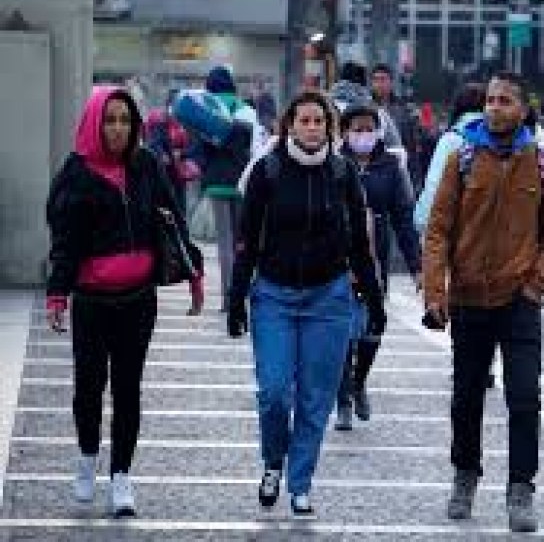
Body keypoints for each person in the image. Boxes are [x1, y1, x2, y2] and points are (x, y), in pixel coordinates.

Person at [423, 71, 544, 533]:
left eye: (505, 100)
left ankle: (521, 489)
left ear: (524, 108)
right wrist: (436, 292)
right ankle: (465, 474)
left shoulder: (542, 162)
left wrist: (537, 284)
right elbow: (438, 230)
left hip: (520, 299)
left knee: (525, 397)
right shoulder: (462, 155)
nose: (494, 107)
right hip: (468, 298)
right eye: (489, 100)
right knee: (466, 397)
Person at [226, 91, 386, 519]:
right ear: (289, 125)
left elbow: (358, 244)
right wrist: (236, 299)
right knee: (275, 391)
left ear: (329, 128)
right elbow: (246, 242)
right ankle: (273, 462)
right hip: (274, 296)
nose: (312, 127)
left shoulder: (343, 173)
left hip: (328, 298)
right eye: (304, 120)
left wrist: (374, 297)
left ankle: (300, 484)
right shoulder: (267, 171)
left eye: (319, 121)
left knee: (316, 399)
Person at [46, 86, 204, 517]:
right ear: (95, 123)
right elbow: (64, 240)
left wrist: (193, 274)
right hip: (93, 302)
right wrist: (57, 293)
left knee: (128, 388)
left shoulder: (145, 165)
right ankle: (86, 457)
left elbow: (172, 218)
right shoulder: (76, 174)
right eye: (110, 120)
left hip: (137, 300)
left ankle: (121, 477)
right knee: (88, 388)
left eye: (125, 120)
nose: (118, 129)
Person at [334, 103, 422, 431]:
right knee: (342, 329)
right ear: (344, 132)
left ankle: (359, 381)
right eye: (356, 128)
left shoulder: (390, 168)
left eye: (369, 128)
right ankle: (342, 395)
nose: (363, 134)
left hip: (376, 261)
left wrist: (417, 266)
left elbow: (404, 217)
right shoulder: (335, 164)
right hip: (338, 261)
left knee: (372, 327)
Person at [201, 66, 260, 310]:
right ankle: (244, 291)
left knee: (224, 244)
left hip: (216, 182)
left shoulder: (207, 108)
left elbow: (202, 146)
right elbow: (255, 146)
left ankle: (228, 298)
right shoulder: (247, 110)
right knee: (243, 241)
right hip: (242, 180)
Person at [414, 83, 486, 233]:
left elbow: (434, 188)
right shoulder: (505, 139)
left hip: (454, 233)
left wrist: (423, 224)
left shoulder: (451, 140)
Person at [371, 64, 424, 192]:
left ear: (391, 82)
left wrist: (416, 180)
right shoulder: (366, 108)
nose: (379, 84)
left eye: (383, 79)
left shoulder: (404, 109)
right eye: (376, 80)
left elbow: (413, 147)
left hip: (400, 168)